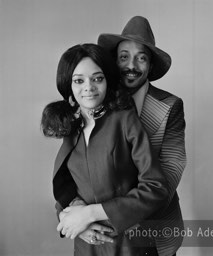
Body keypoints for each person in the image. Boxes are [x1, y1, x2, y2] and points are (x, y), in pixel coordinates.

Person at [41, 43, 170, 255]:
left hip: (129, 244)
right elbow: (64, 186)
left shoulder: (125, 119)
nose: (89, 87)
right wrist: (74, 221)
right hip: (87, 246)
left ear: (107, 80)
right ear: (68, 86)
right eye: (79, 80)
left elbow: (156, 188)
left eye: (97, 78)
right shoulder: (71, 127)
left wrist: (90, 214)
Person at [95, 16, 187, 256]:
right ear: (114, 61)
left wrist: (128, 214)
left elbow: (173, 164)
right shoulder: (95, 100)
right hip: (103, 233)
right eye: (124, 56)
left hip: (154, 229)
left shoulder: (171, 105)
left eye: (141, 57)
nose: (131, 65)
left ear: (151, 66)